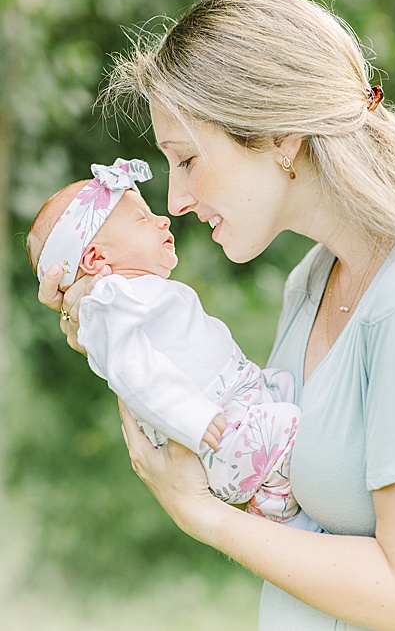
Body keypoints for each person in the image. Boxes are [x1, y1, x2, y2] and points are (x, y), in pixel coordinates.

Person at [37, 0, 395, 631]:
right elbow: (265, 458)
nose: (177, 200)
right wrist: (108, 317)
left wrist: (204, 516)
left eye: (188, 159)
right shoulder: (312, 283)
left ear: (280, 134)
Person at [28, 157, 311, 526]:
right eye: (142, 219)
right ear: (97, 258)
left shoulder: (130, 294)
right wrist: (191, 416)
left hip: (235, 400)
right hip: (213, 433)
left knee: (286, 388)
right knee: (292, 423)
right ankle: (273, 506)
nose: (163, 219)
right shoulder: (108, 303)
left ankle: (277, 488)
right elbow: (135, 372)